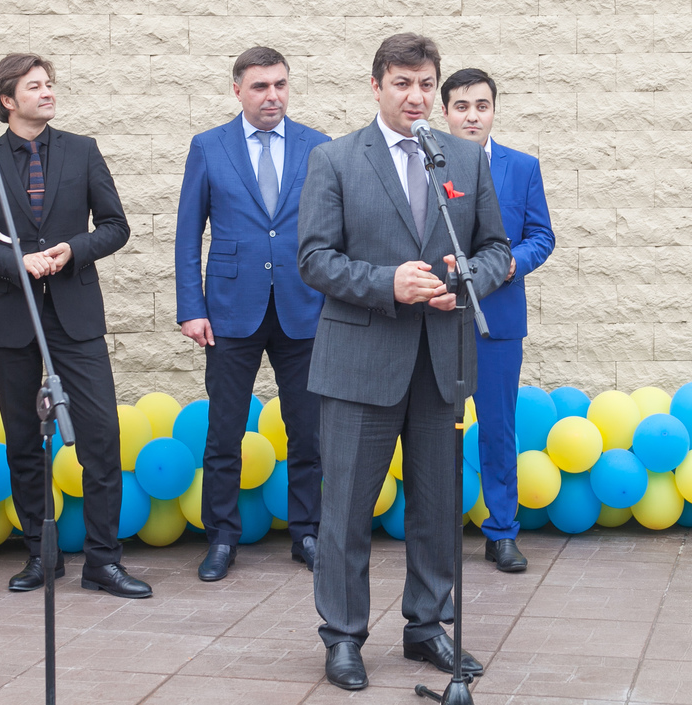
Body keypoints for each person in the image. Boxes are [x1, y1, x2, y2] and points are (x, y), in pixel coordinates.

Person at [297, 33, 510, 690]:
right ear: (376, 86)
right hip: (360, 361)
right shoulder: (334, 159)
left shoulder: (464, 159)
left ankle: (426, 625)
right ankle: (343, 635)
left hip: (442, 359)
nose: (416, 96)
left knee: (438, 506)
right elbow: (315, 259)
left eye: (425, 84)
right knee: (346, 509)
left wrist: (467, 278)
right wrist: (387, 282)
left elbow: (497, 249)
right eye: (402, 83)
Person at [0, 53, 151, 599]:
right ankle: (42, 558)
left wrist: (73, 250)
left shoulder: (82, 151)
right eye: (34, 86)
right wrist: (15, 262)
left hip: (75, 311)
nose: (47, 92)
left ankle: (104, 562)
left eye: (49, 84)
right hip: (11, 316)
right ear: (7, 101)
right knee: (23, 441)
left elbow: (115, 226)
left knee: (100, 437)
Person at [174, 46, 329, 581]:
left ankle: (307, 532)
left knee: (308, 431)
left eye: (280, 84)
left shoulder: (318, 146)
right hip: (229, 311)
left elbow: (334, 230)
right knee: (224, 433)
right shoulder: (208, 146)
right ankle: (221, 537)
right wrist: (191, 308)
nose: (272, 96)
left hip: (303, 308)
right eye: (261, 86)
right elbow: (187, 233)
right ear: (237, 89)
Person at [441, 68, 555, 573]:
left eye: (481, 106)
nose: (472, 116)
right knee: (435, 429)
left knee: (498, 429)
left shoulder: (522, 167)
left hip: (498, 320)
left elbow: (541, 236)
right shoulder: (424, 165)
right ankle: (438, 532)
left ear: (493, 111)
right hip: (437, 317)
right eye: (462, 106)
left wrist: (512, 263)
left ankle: (502, 531)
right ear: (446, 112)